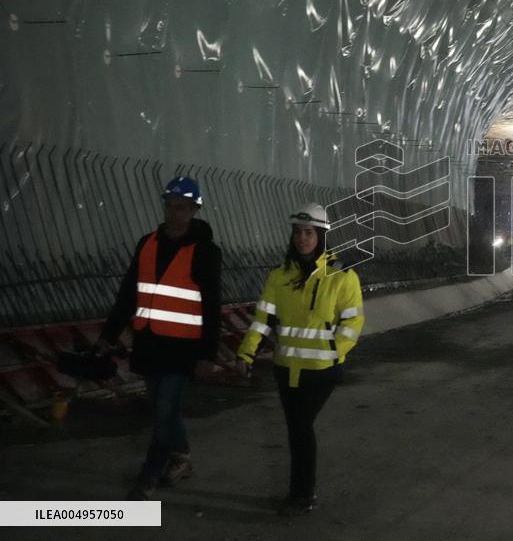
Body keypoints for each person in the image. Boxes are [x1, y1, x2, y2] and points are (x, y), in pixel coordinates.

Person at [95, 176, 222, 501]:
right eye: (169, 205)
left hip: (182, 348)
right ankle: (181, 456)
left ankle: (149, 475)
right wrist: (109, 334)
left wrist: (207, 355)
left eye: (180, 207)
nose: (173, 212)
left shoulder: (205, 251)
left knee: (165, 409)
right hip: (150, 344)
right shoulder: (147, 244)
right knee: (162, 408)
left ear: (194, 209)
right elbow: (128, 293)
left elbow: (211, 304)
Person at [236, 203, 365, 516]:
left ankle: (302, 495)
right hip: (287, 370)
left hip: (321, 371)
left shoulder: (342, 277)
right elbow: (262, 319)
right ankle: (301, 494)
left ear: (321, 235)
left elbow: (353, 322)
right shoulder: (278, 277)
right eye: (297, 232)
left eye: (309, 233)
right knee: (297, 429)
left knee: (300, 428)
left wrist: (334, 351)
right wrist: (247, 350)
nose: (302, 239)